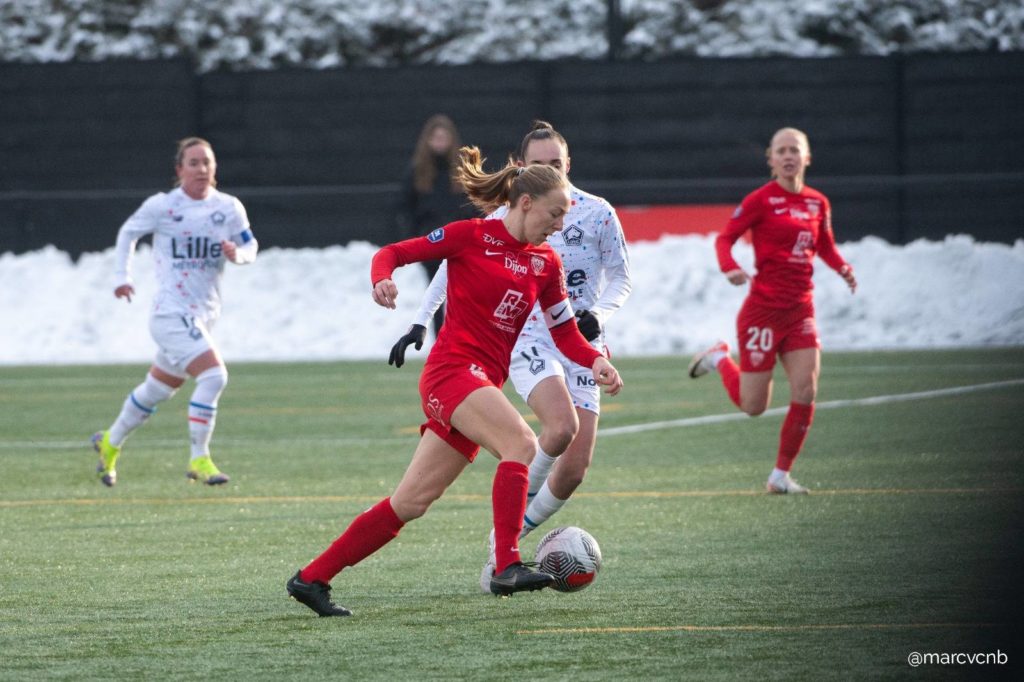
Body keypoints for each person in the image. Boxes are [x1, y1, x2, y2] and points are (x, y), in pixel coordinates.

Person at [286, 146, 624, 616]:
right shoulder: (470, 237)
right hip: (450, 375)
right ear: (525, 203)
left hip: (479, 383)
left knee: (412, 501)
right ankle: (506, 563)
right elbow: (394, 252)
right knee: (523, 443)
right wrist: (382, 279)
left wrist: (595, 362)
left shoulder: (546, 264)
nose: (559, 225)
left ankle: (312, 579)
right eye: (554, 213)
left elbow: (565, 332)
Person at [389, 121, 632, 591]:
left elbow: (622, 277)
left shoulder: (598, 213)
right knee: (558, 428)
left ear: (568, 165)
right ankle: (508, 545)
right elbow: (451, 264)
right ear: (522, 169)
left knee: (575, 467)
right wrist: (421, 318)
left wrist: (598, 316)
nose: (548, 170)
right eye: (538, 164)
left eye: (556, 164)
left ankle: (511, 538)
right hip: (528, 337)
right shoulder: (509, 213)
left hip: (581, 336)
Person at [688, 127, 857, 494]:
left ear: (806, 157)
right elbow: (725, 238)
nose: (788, 156)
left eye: (794, 149)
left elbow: (824, 245)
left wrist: (843, 267)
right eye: (780, 150)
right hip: (762, 313)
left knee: (806, 390)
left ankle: (780, 475)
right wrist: (729, 267)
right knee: (753, 406)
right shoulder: (760, 201)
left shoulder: (818, 203)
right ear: (771, 160)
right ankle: (720, 358)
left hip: (800, 311)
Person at [91, 137, 258, 487]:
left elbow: (250, 245)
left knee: (157, 389)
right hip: (170, 313)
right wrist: (122, 276)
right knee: (214, 376)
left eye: (207, 162)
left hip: (203, 315)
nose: (201, 169)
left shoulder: (228, 207)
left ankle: (110, 441)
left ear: (215, 168)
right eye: (193, 163)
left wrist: (238, 255)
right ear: (179, 169)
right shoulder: (163, 206)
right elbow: (128, 233)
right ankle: (199, 457)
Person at [394, 114, 476, 336]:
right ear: (427, 140)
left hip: (461, 244)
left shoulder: (463, 171)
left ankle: (463, 342)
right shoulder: (417, 171)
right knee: (435, 296)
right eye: (436, 137)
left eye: (444, 137)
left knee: (463, 296)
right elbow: (406, 208)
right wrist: (414, 239)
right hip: (432, 243)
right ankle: (441, 342)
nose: (440, 142)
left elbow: (475, 204)